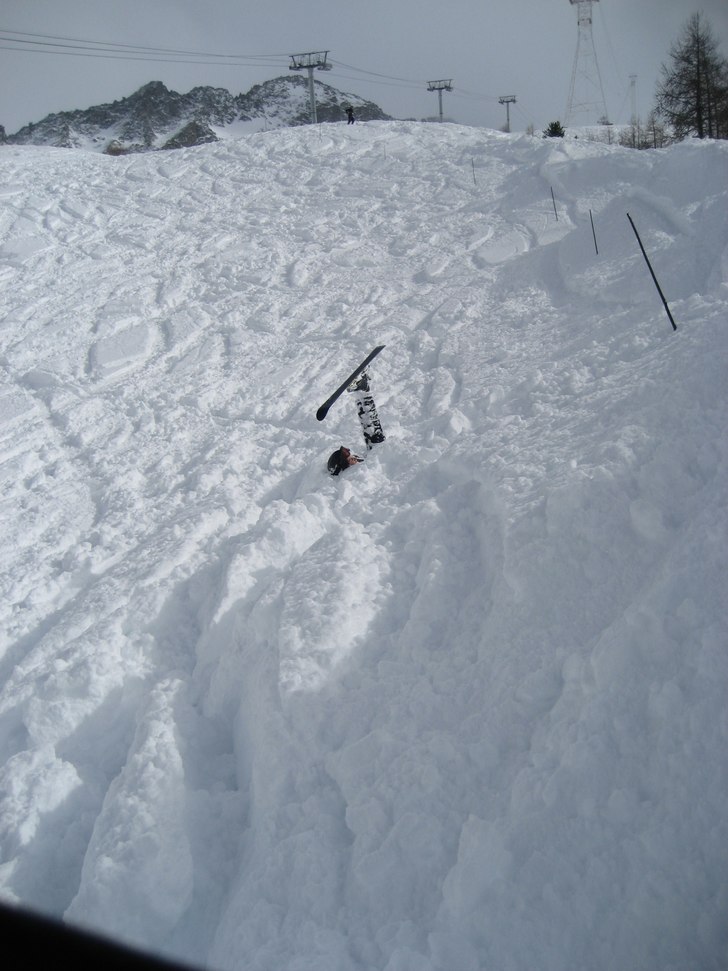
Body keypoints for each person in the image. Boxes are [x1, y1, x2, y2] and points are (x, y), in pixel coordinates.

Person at [327, 369, 386, 475]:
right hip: (381, 455)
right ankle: (364, 390)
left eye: (348, 454)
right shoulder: (357, 473)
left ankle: (362, 390)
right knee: (374, 433)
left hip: (375, 452)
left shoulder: (361, 466)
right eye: (347, 456)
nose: (351, 455)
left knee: (368, 427)